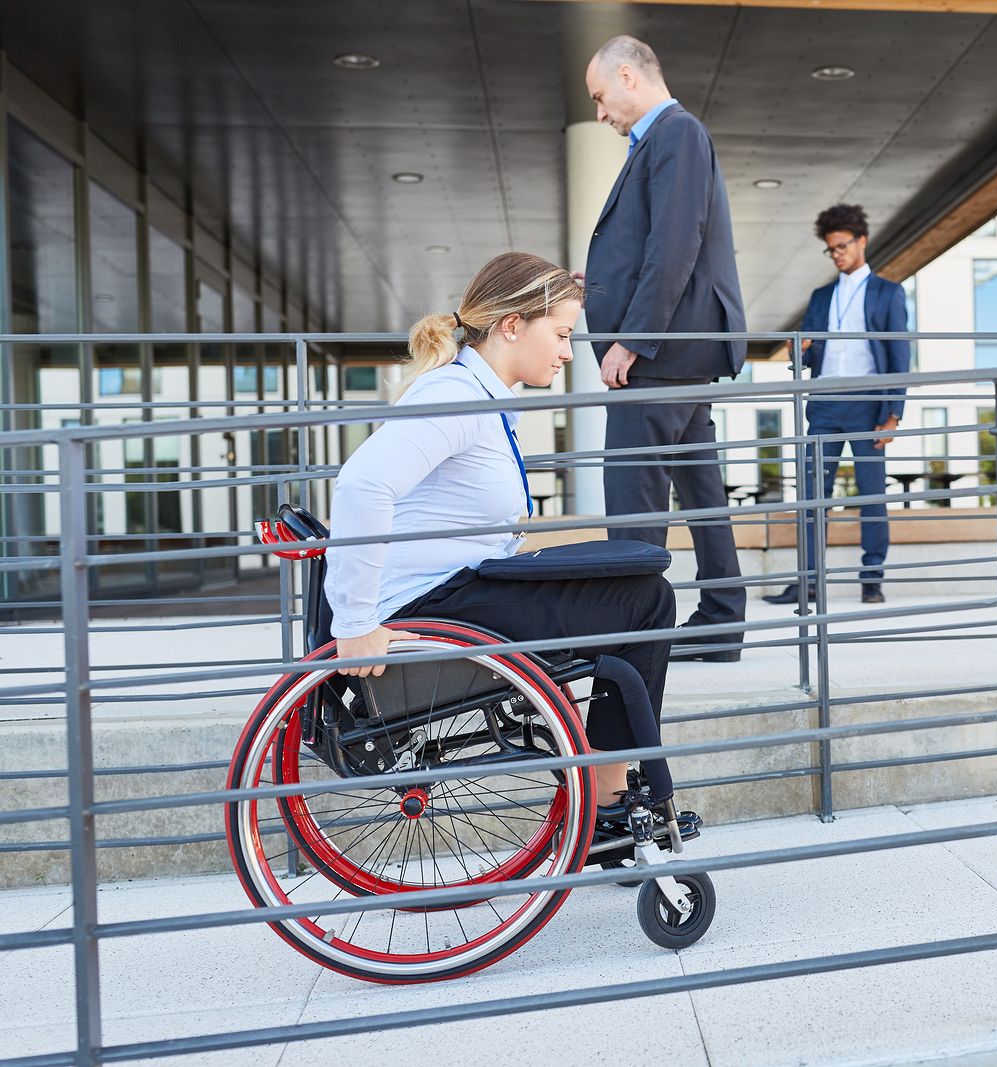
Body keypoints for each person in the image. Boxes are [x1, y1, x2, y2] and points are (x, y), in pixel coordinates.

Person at [323, 251, 674, 818]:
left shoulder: (479, 396)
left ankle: (606, 792)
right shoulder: (453, 396)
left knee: (633, 576)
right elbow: (363, 487)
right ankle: (607, 799)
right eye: (561, 334)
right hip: (433, 602)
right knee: (643, 600)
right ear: (511, 325)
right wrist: (356, 622)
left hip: (456, 588)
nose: (567, 351)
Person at [582, 35, 748, 662]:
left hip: (660, 354)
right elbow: (657, 245)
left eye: (600, 97)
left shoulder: (675, 132)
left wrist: (632, 339)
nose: (600, 113)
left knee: (633, 498)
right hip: (680, 353)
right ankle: (721, 621)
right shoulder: (668, 138)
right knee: (703, 493)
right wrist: (595, 284)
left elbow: (675, 244)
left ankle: (634, 639)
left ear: (628, 76)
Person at [765, 204, 912, 606]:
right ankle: (808, 582)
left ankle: (872, 580)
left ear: (861, 241)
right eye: (831, 249)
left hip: (869, 403)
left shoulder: (888, 292)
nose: (838, 254)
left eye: (843, 246)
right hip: (825, 403)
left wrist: (894, 413)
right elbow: (807, 357)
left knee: (870, 495)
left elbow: (900, 356)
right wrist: (804, 350)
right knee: (814, 494)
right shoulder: (821, 296)